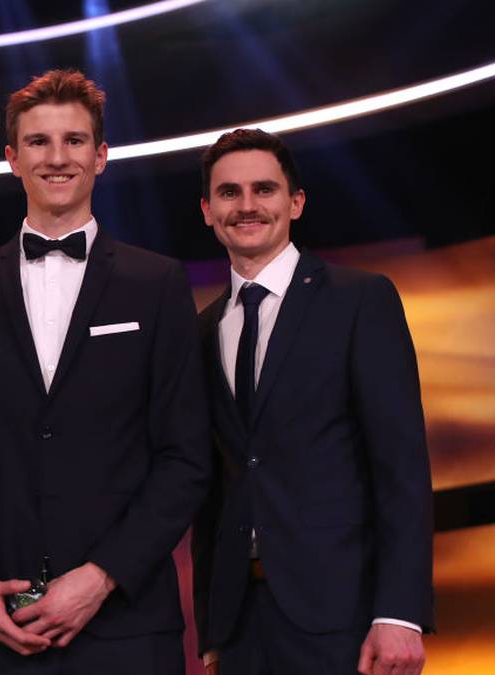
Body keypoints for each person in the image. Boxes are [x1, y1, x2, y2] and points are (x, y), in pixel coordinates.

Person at [0, 69, 211, 673]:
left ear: (102, 156)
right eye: (38, 142)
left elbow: (185, 457)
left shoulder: (156, 283)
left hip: (128, 627)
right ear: (11, 158)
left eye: (75, 141)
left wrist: (102, 578)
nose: (57, 158)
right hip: (1, 627)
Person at [191, 128, 433, 675]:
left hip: (345, 615)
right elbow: (213, 488)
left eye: (264, 190)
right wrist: (212, 624)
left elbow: (401, 468)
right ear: (208, 210)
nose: (247, 206)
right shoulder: (202, 331)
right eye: (229, 193)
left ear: (295, 202)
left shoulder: (359, 300)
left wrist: (400, 613)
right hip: (239, 625)